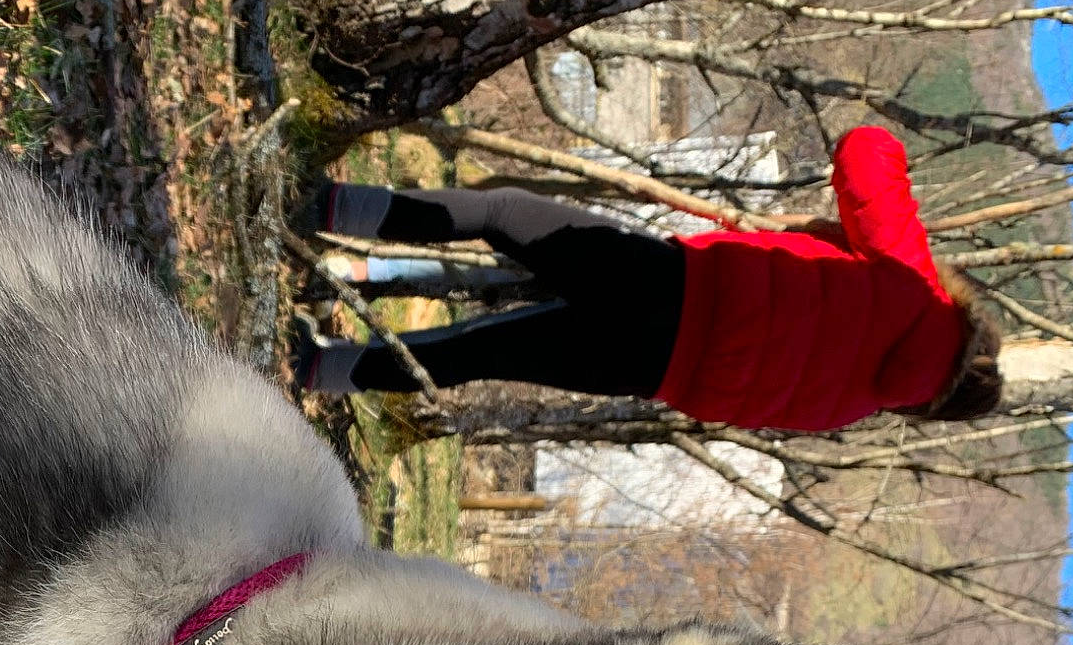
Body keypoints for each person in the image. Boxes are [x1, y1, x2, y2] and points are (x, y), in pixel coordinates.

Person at [294, 126, 1003, 430]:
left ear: (966, 318)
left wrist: (834, 238)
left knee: (502, 212)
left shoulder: (912, 283)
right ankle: (321, 369)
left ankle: (327, 206)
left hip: (674, 283)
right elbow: (743, 402)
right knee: (482, 351)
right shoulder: (848, 408)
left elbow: (867, 152)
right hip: (652, 368)